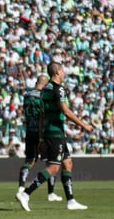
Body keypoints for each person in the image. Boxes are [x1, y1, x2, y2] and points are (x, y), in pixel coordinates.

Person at [16, 62, 94, 211]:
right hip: (55, 133)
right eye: (63, 70)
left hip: (50, 132)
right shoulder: (58, 89)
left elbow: (41, 116)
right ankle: (26, 193)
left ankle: (71, 201)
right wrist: (84, 125)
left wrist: (40, 138)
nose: (64, 74)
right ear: (57, 72)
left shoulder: (45, 89)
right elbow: (65, 111)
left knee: (68, 163)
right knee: (52, 168)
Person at [17, 75, 63, 202]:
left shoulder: (27, 95)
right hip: (42, 133)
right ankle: (51, 193)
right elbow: (43, 113)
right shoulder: (42, 96)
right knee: (51, 162)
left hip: (29, 131)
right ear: (44, 83)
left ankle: (21, 187)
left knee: (29, 161)